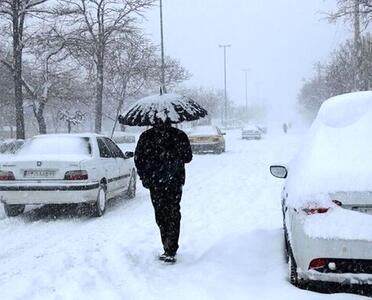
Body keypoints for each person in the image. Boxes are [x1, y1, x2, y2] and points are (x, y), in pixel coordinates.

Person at [134, 122, 193, 263]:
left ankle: (168, 245)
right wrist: (174, 153)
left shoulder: (146, 136)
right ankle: (170, 247)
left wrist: (145, 177)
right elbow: (188, 157)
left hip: (156, 183)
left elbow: (138, 159)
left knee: (161, 214)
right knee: (173, 212)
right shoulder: (179, 135)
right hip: (174, 181)